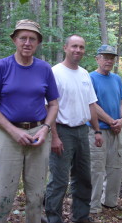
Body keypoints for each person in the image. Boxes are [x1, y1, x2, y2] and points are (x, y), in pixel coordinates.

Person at [0, 19, 59, 223]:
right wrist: (13, 131)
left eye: (32, 38)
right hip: (7, 135)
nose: (27, 42)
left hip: (38, 136)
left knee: (36, 195)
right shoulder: (1, 67)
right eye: (22, 38)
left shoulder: (44, 69)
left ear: (38, 42)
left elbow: (53, 104)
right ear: (15, 40)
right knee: (1, 195)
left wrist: (45, 128)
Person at [45, 35, 103, 223]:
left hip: (82, 131)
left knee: (83, 178)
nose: (78, 50)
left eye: (81, 47)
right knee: (59, 181)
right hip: (62, 131)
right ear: (65, 47)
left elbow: (91, 105)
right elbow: (49, 106)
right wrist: (54, 136)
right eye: (74, 46)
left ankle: (81, 217)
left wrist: (97, 130)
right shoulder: (54, 73)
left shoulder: (85, 74)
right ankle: (54, 219)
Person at [87, 45, 122, 214]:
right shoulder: (90, 78)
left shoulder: (116, 79)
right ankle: (93, 206)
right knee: (96, 169)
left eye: (111, 57)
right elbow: (91, 105)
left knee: (116, 167)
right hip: (98, 131)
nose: (108, 60)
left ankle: (110, 202)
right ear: (97, 58)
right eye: (105, 57)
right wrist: (111, 121)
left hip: (116, 131)